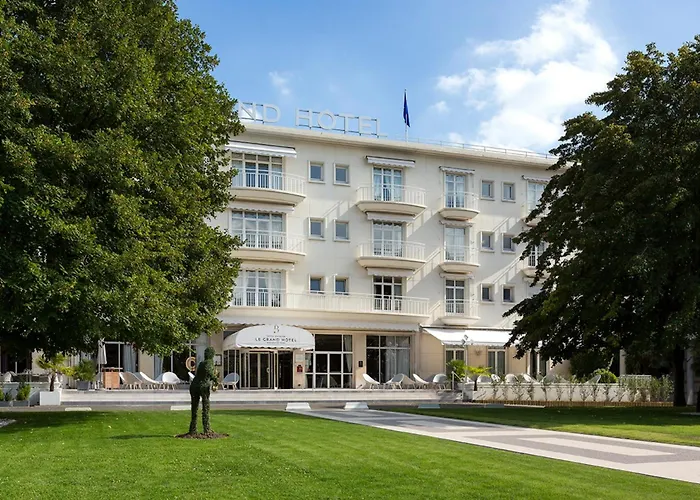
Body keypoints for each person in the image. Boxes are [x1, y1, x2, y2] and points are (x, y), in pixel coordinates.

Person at [188, 346, 218, 434]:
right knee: (205, 407)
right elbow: (209, 371)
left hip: (194, 386)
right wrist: (215, 379)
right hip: (203, 387)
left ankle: (193, 429)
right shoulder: (209, 362)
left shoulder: (201, 363)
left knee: (194, 408)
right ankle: (206, 429)